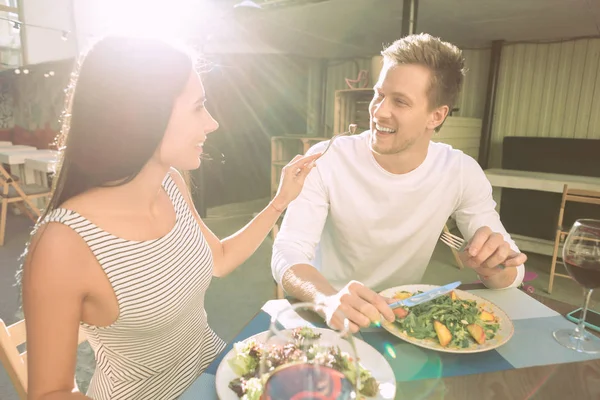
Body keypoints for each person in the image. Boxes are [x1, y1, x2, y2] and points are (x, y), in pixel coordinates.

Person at [20, 36, 320, 400]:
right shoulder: (61, 243)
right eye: (198, 107)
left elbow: (220, 260)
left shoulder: (172, 184)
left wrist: (280, 202)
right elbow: (48, 393)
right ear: (143, 115)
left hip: (219, 375)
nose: (212, 123)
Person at [271, 33, 527, 333]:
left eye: (400, 102)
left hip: (401, 320)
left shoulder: (460, 172)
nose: (378, 111)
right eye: (379, 94)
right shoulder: (326, 158)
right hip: (326, 313)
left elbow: (514, 270)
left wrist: (494, 268)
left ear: (436, 115)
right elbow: (287, 251)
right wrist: (327, 298)